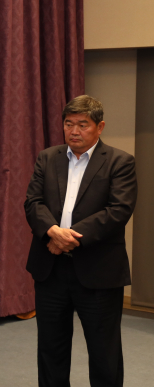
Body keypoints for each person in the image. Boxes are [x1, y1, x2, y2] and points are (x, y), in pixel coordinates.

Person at [24, 95, 137, 387]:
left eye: (82, 125)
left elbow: (118, 211)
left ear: (100, 127)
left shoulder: (120, 161)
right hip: (50, 270)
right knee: (51, 350)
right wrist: (52, 230)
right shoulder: (47, 157)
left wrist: (67, 238)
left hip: (98, 271)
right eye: (68, 123)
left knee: (104, 354)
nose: (74, 131)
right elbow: (33, 202)